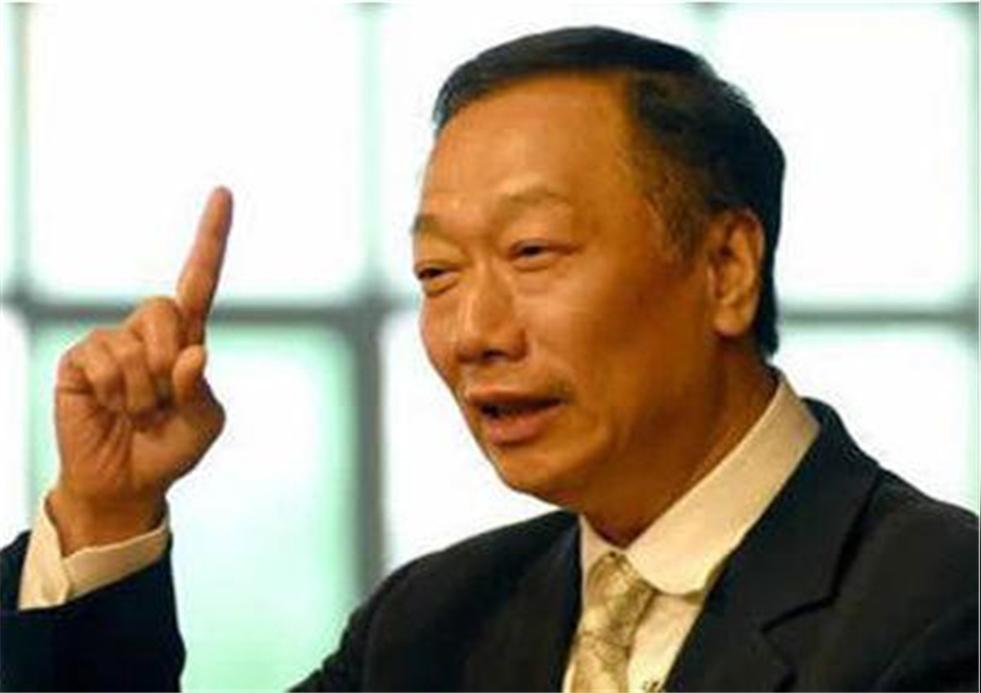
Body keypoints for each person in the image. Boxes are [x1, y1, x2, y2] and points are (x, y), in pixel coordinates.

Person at [1, 26, 977, 692]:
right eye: (436, 272)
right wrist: (107, 511)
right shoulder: (429, 625)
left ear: (725, 268)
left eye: (532, 251)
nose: (473, 330)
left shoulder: (939, 609)